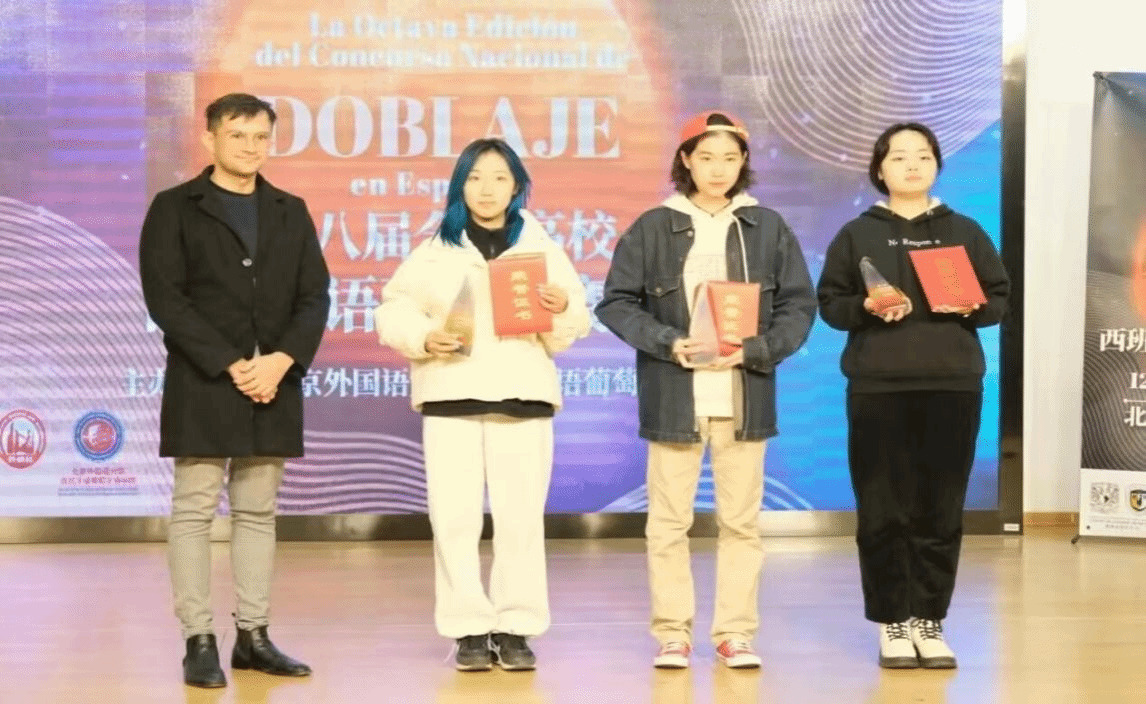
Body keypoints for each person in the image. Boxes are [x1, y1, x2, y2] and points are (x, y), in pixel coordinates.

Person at [595, 110, 816, 669]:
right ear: (686, 160)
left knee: (741, 522)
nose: (718, 169)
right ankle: (673, 633)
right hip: (676, 393)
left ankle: (735, 633)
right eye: (707, 157)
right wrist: (668, 341)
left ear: (743, 163)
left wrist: (758, 349)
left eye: (730, 158)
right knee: (668, 522)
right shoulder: (654, 226)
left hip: (744, 395)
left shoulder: (766, 226)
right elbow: (616, 302)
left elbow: (798, 304)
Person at [374, 138, 590, 672]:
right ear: (459, 186)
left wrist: (561, 307)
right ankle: (468, 627)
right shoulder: (435, 249)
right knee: (454, 518)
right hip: (451, 393)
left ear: (517, 186)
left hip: (523, 394)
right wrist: (424, 337)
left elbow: (573, 325)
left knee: (521, 519)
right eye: (474, 178)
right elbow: (393, 309)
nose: (487, 189)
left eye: (498, 178)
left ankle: (516, 627)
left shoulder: (541, 250)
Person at [138, 93, 330, 688]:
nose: (250, 147)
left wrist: (281, 360)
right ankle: (198, 639)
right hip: (203, 380)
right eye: (237, 135)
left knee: (257, 511)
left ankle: (253, 636)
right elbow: (166, 298)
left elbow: (314, 295)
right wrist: (230, 362)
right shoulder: (174, 207)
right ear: (211, 139)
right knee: (194, 510)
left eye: (260, 136)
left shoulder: (290, 209)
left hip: (273, 381)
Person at [816, 122, 1010, 669]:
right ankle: (893, 621)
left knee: (940, 508)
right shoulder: (857, 233)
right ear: (880, 168)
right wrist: (865, 307)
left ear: (937, 165)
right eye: (899, 156)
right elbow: (831, 305)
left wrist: (972, 305)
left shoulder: (964, 230)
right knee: (882, 508)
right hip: (878, 386)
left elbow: (998, 299)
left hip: (953, 385)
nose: (911, 165)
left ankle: (929, 618)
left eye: (922, 155)